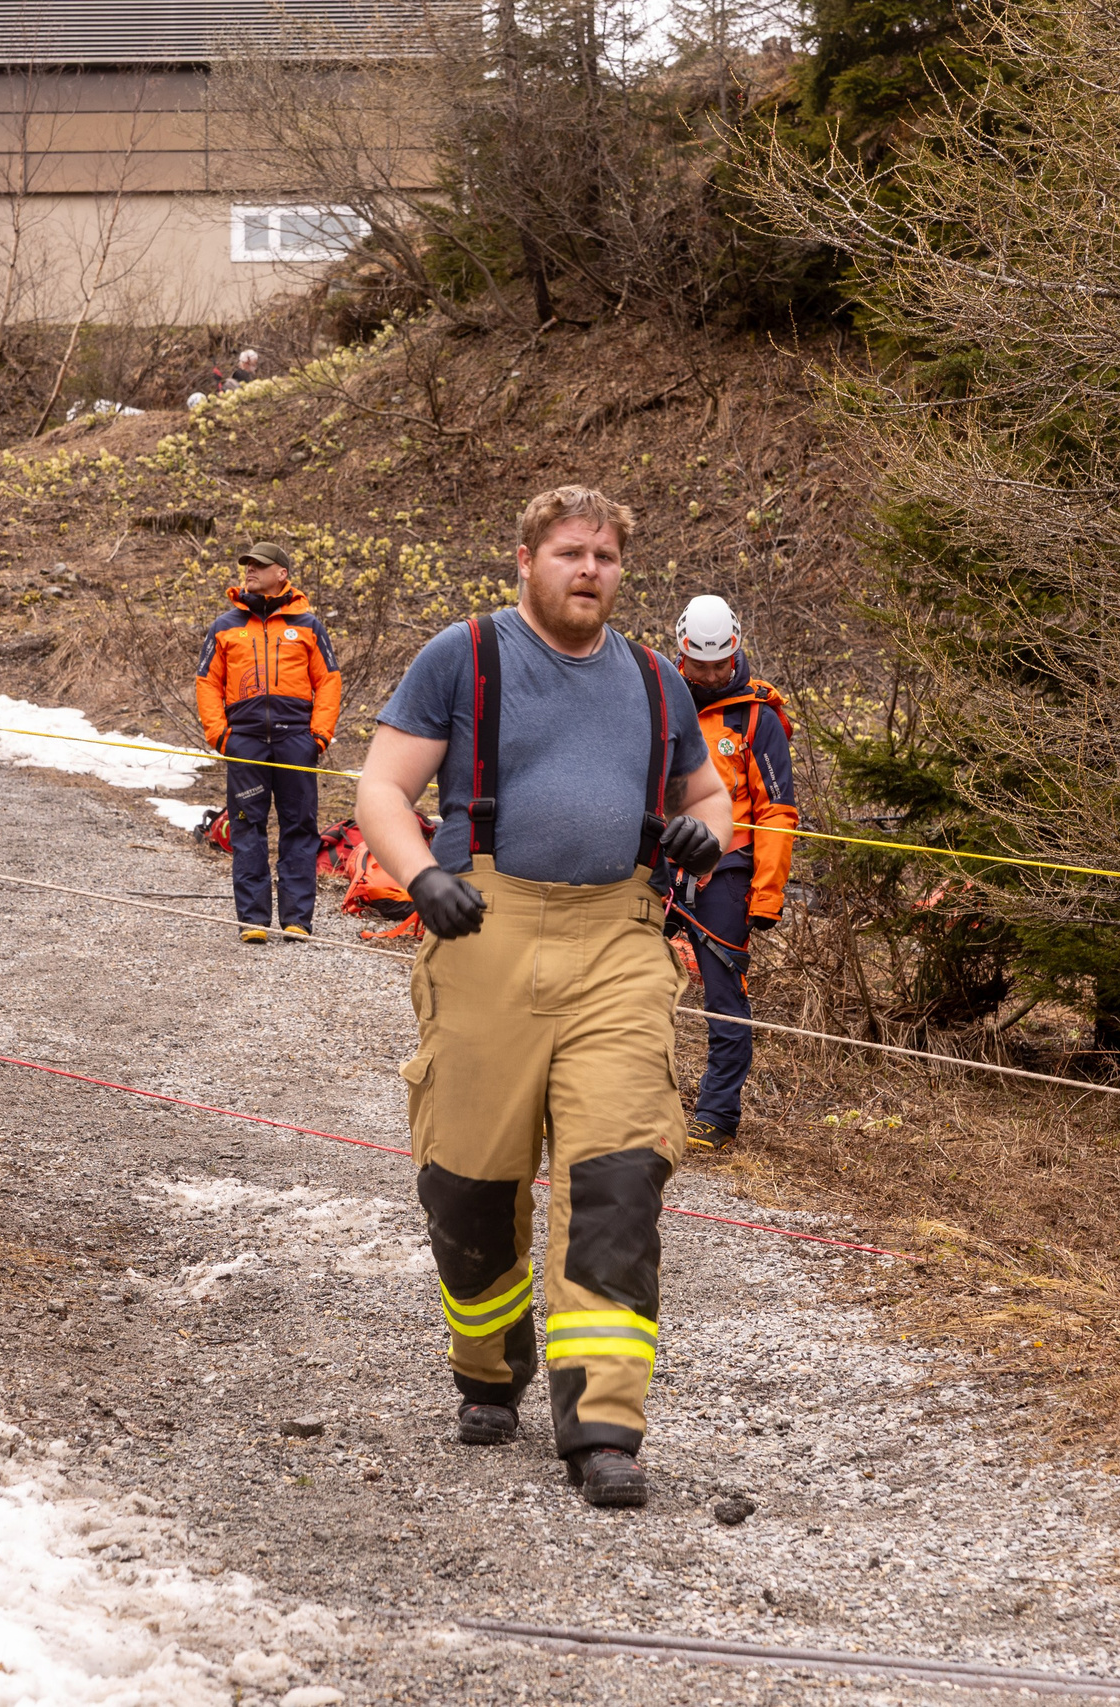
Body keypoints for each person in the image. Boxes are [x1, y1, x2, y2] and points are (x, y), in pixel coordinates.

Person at [355, 485, 730, 1510]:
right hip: (482, 931)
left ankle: (603, 1426)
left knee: (618, 1182)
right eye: (570, 552)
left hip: (618, 940)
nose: (590, 571)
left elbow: (706, 795)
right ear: (523, 559)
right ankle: (487, 1368)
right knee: (470, 1186)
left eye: (606, 557)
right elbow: (382, 788)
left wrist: (710, 830)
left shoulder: (657, 681)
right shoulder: (463, 657)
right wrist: (419, 875)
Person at [673, 594, 796, 1151]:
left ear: (735, 651)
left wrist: (767, 894)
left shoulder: (757, 716)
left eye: (718, 665)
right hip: (659, 862)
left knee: (725, 997)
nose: (709, 674)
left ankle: (717, 1115)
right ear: (682, 654)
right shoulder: (662, 696)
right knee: (621, 980)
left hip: (726, 872)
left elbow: (776, 810)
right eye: (699, 665)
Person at [194, 541, 340, 943]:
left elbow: (328, 680)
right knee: (246, 827)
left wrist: (319, 736)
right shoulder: (225, 626)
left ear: (282, 574)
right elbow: (207, 682)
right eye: (247, 565)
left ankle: (297, 921)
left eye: (259, 565)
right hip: (245, 740)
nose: (250, 571)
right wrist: (220, 734)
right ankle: (253, 921)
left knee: (299, 826)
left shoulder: (309, 625)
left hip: (296, 740)